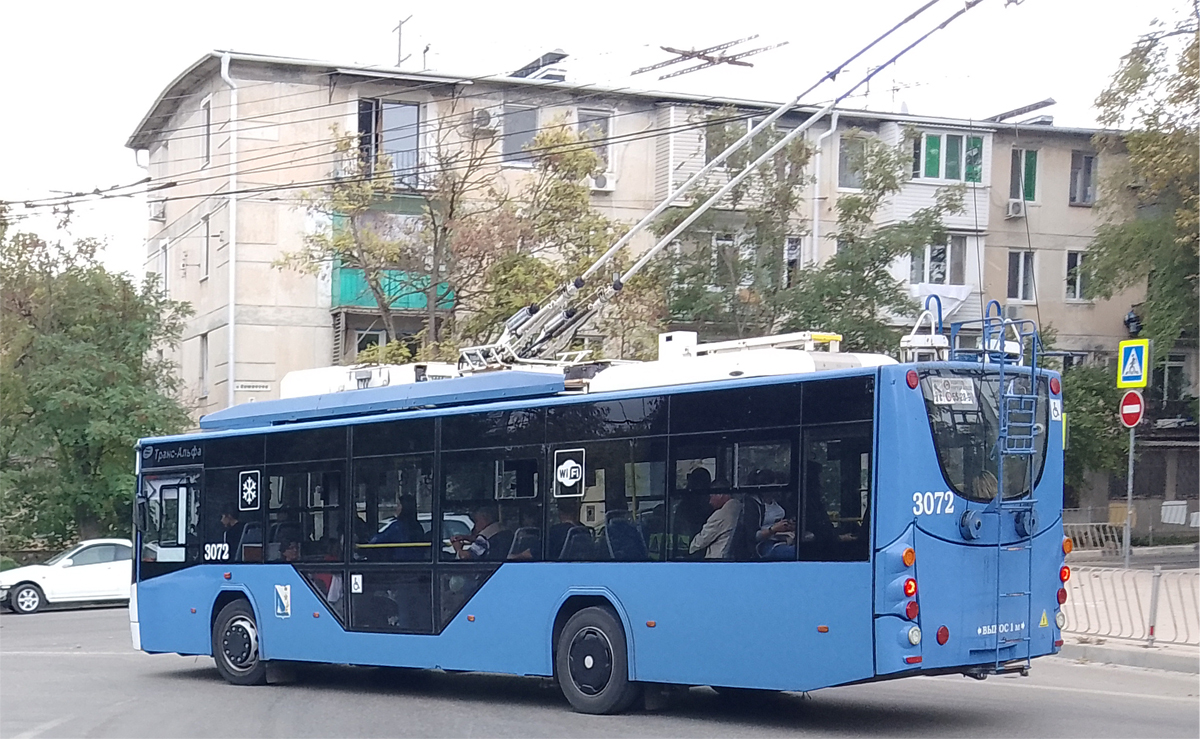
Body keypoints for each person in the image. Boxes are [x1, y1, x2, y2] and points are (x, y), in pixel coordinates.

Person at [688, 490, 743, 559]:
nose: (710, 501)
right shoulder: (738, 507)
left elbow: (700, 542)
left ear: (720, 495)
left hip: (716, 560)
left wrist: (689, 548)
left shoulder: (721, 515)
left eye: (711, 496)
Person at [370, 495, 426, 560]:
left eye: (398, 505)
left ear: (404, 508)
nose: (396, 508)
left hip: (399, 564)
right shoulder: (417, 526)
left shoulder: (397, 526)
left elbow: (375, 542)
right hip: (417, 564)